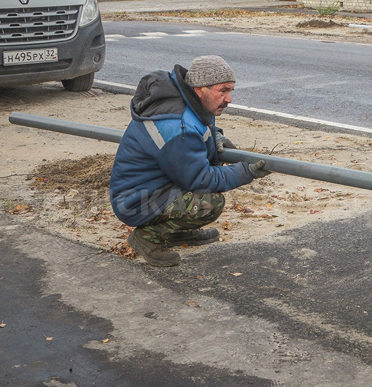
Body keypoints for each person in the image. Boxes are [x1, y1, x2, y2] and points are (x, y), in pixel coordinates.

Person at [109, 55, 270, 267]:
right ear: (199, 89)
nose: (229, 98)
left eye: (230, 90)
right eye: (223, 91)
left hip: (151, 187)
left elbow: (198, 129)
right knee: (209, 203)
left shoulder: (187, 101)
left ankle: (175, 233)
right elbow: (201, 179)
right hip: (135, 201)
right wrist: (245, 172)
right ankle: (148, 237)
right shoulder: (177, 126)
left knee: (204, 192)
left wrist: (215, 136)